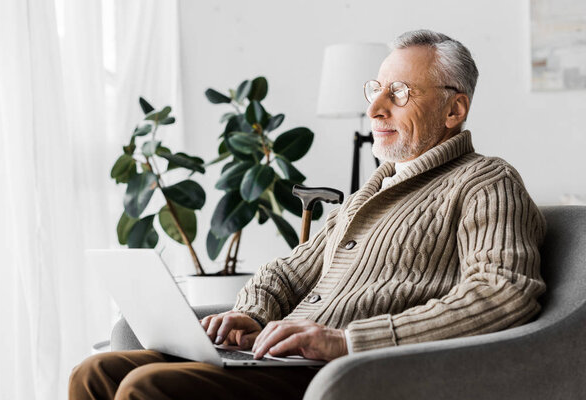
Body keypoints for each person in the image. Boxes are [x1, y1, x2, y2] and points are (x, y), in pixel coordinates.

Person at [69, 29, 546, 399]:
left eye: (398, 94)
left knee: (145, 389)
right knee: (95, 372)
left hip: (349, 375)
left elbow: (504, 294)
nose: (375, 107)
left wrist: (345, 341)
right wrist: (251, 314)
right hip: (281, 362)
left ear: (453, 109)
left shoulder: (487, 180)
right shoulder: (375, 189)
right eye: (375, 90)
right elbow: (288, 272)